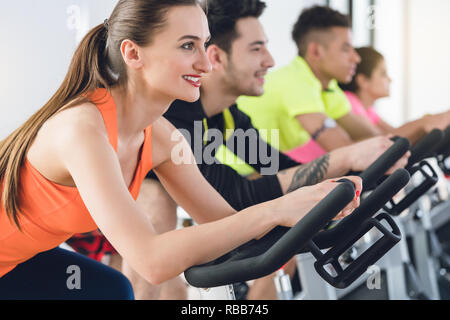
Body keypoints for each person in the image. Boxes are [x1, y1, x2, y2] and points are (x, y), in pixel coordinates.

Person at [0, 0, 362, 299]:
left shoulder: (161, 136)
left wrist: (317, 215)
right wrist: (277, 209)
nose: (205, 64)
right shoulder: (83, 129)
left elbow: (222, 224)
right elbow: (151, 261)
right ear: (133, 53)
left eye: (204, 45)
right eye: (188, 46)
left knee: (110, 290)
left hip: (20, 258)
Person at [118, 0, 410, 300]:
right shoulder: (172, 117)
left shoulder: (225, 115)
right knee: (156, 203)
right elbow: (234, 197)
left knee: (274, 246)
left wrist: (337, 175)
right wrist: (343, 158)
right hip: (109, 225)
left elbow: (270, 174)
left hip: (133, 228)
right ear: (218, 57)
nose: (270, 61)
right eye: (257, 49)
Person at [237, 5, 381, 163]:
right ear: (315, 52)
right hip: (241, 175)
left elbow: (371, 136)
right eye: (346, 49)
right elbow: (347, 152)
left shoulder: (328, 86)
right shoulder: (295, 81)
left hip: (267, 169)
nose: (356, 58)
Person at [340, 47, 450, 145]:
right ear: (363, 81)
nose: (390, 79)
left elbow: (394, 131)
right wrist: (426, 123)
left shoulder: (369, 110)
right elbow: (383, 139)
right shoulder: (349, 102)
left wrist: (426, 122)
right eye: (383, 73)